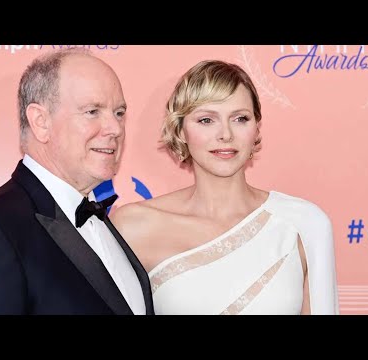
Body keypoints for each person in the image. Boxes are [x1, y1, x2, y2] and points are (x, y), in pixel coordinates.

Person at [111, 60, 339, 315]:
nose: (226, 134)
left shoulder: (304, 222)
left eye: (240, 118)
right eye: (207, 120)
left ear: (256, 128)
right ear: (181, 130)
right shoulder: (133, 226)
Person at [0, 48, 154, 315]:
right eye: (92, 111)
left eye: (119, 113)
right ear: (41, 122)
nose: (116, 128)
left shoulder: (102, 221)